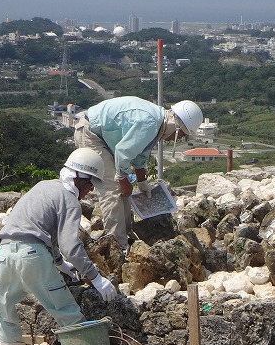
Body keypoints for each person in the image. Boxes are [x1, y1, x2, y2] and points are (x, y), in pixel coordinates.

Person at [0, 148, 118, 345]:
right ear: (79, 178)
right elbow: (70, 245)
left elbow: (37, 227)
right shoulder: (70, 200)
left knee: (2, 309)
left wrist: (59, 263)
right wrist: (96, 278)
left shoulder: (43, 187)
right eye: (90, 184)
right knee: (66, 311)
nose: (90, 190)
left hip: (4, 254)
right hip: (32, 256)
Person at [74, 97, 203, 249]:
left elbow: (139, 153)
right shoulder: (150, 123)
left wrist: (142, 182)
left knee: (124, 189)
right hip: (90, 133)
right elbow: (123, 152)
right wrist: (123, 179)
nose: (179, 138)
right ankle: (117, 245)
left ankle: (125, 234)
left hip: (100, 135)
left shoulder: (157, 122)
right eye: (181, 135)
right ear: (177, 128)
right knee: (113, 189)